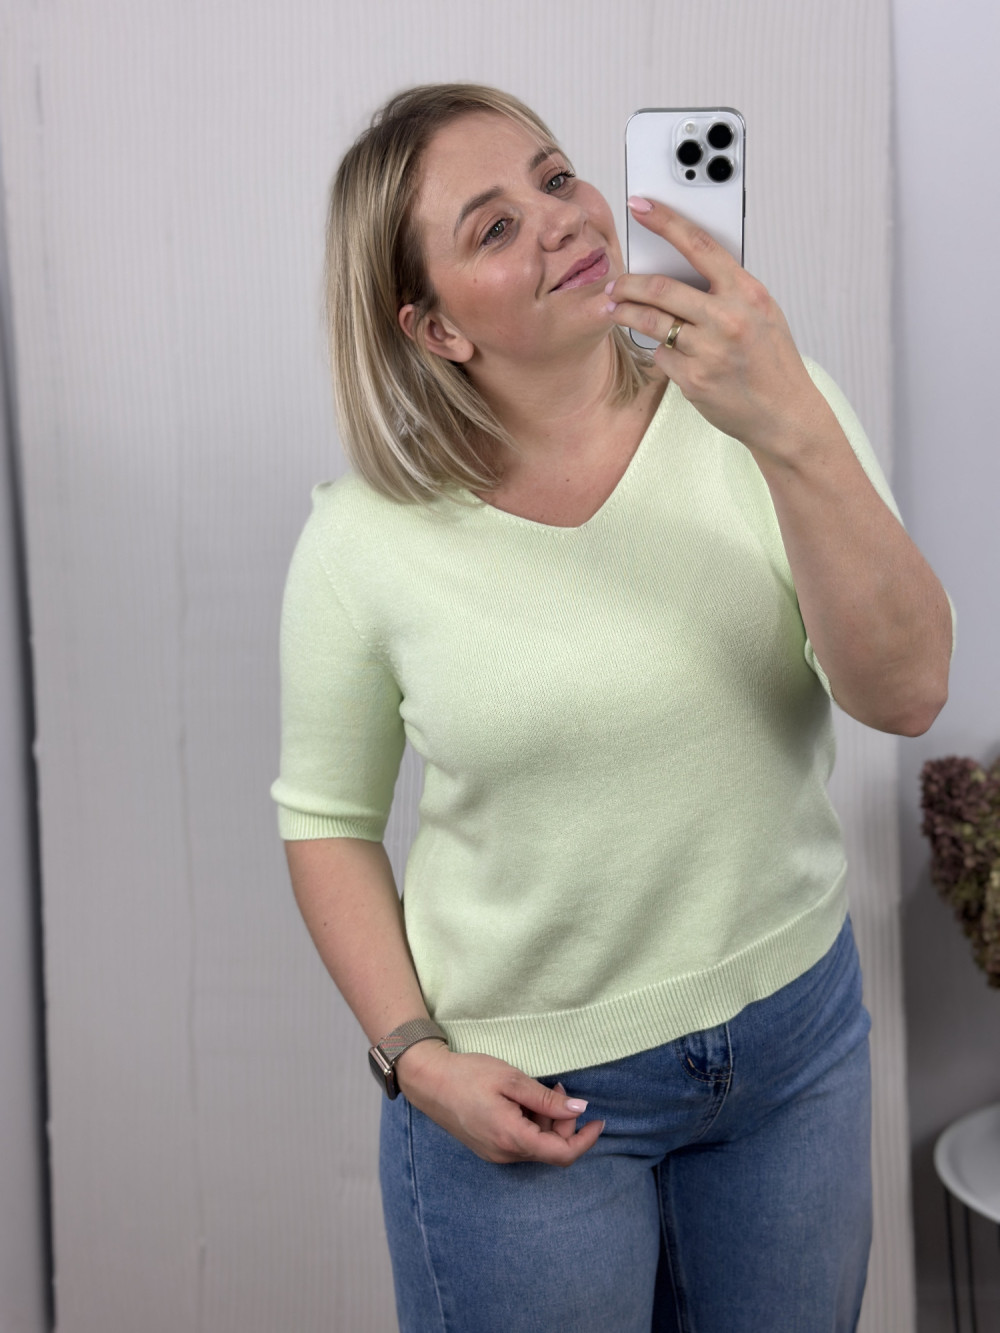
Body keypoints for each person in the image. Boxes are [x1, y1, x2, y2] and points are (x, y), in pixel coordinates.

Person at [271, 84, 952, 1332]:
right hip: (526, 1097)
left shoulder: (769, 414)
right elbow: (326, 820)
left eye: (555, 175)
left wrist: (789, 423)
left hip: (794, 1056)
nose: (562, 218)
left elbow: (905, 694)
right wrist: (415, 1056)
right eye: (492, 226)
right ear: (434, 328)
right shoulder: (360, 542)